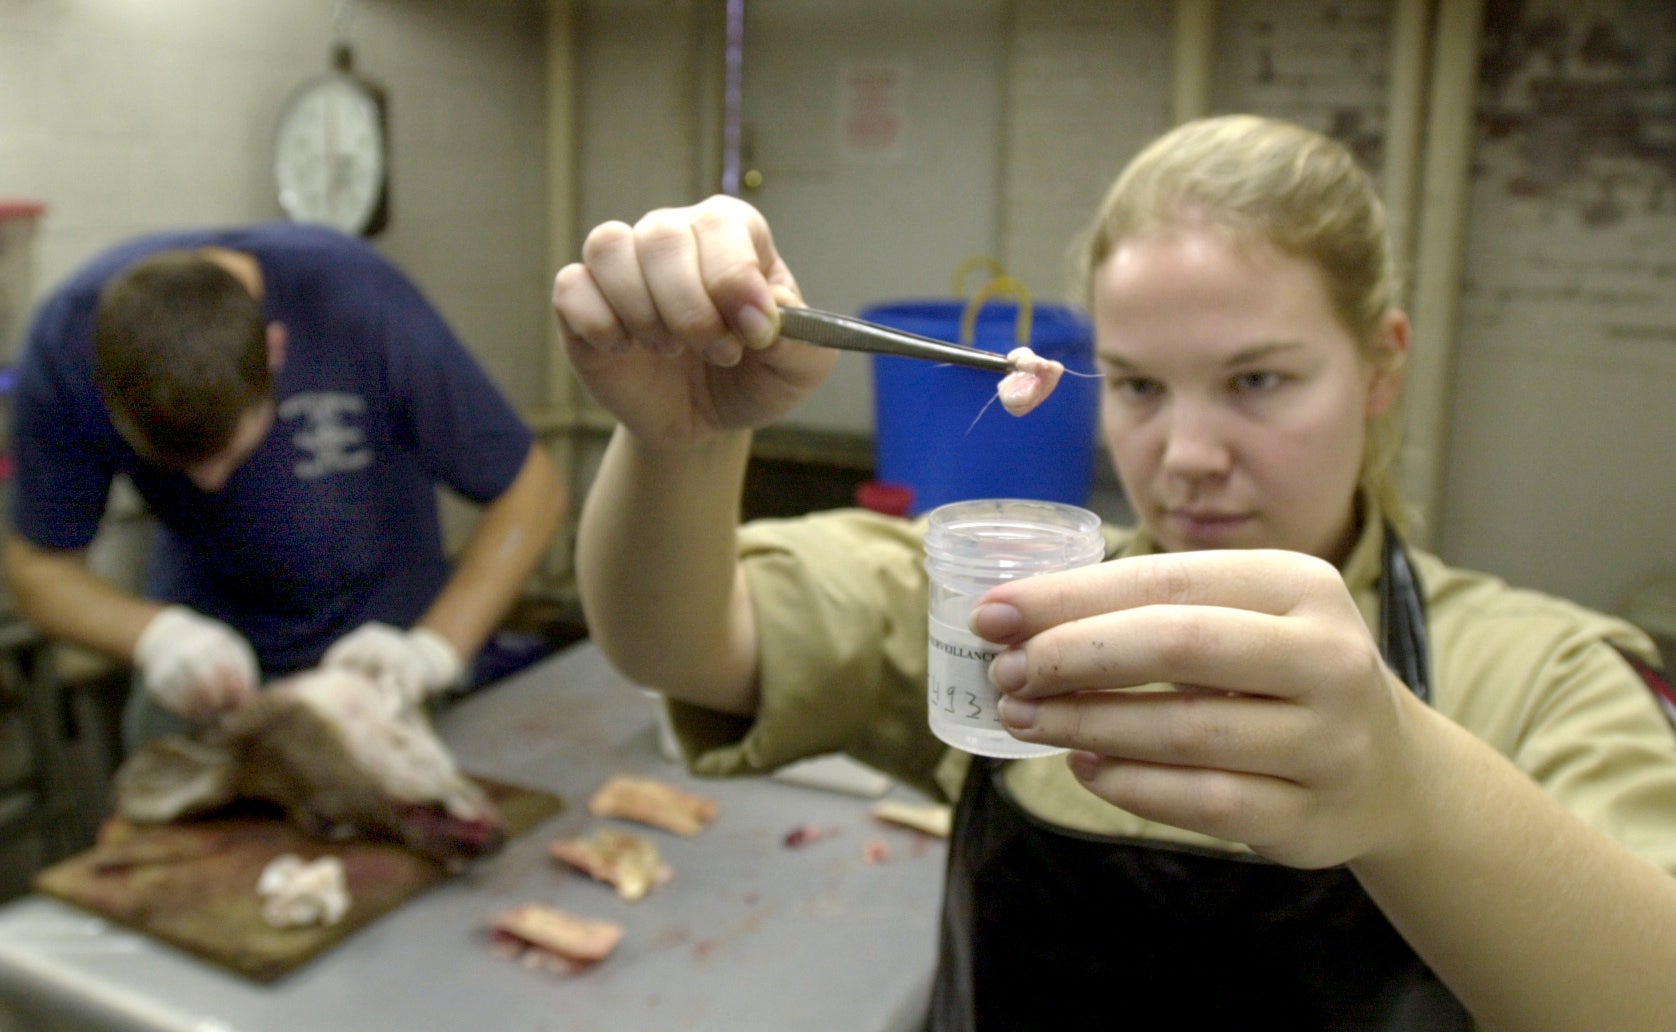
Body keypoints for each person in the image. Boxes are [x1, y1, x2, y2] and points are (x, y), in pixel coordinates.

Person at [552, 115, 1676, 1030]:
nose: (1185, 456)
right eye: (1138, 387)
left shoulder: (1536, 677)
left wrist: (1416, 788)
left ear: (1381, 366)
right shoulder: (1014, 621)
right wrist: (682, 441)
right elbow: (679, 640)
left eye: (1256, 381)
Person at [5, 221, 564, 749]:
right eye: (176, 465)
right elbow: (38, 567)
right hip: (210, 663)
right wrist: (155, 637)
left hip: (378, 652)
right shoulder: (67, 346)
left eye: (228, 453)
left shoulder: (360, 305)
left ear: (275, 351)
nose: (209, 484)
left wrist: (432, 651)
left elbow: (532, 493)